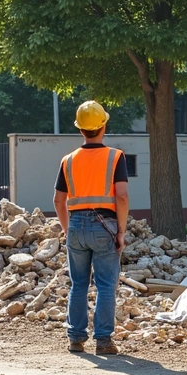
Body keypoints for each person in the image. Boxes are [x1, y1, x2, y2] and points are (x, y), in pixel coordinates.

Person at [53, 101, 129, 355]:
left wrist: (67, 229)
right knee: (106, 284)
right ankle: (104, 341)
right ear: (103, 126)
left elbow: (58, 200)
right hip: (104, 225)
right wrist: (120, 231)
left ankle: (76, 338)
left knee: (78, 284)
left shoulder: (68, 160)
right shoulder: (115, 157)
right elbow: (121, 197)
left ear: (80, 130)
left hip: (75, 224)